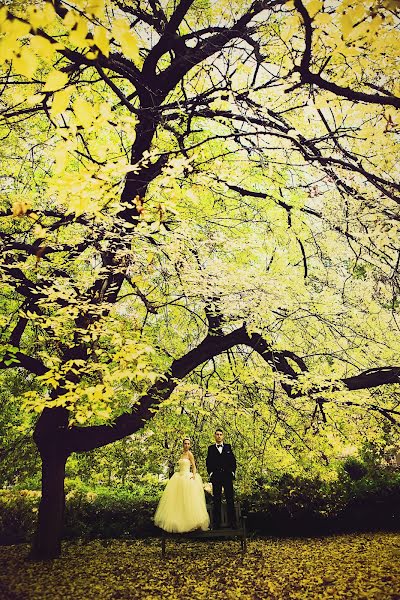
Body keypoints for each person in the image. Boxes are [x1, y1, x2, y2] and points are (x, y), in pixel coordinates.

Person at [154, 437, 210, 533]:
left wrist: (193, 475)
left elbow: (194, 466)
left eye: (188, 444)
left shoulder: (190, 454)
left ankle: (191, 523)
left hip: (187, 477)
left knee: (189, 501)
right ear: (183, 445)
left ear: (190, 445)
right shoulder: (181, 454)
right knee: (178, 500)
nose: (187, 445)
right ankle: (179, 522)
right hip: (179, 477)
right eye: (185, 444)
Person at [206, 428, 237, 529]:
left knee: (230, 498)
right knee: (217, 499)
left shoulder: (228, 447)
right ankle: (217, 524)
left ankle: (233, 523)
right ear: (214, 436)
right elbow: (208, 462)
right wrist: (211, 473)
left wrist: (232, 472)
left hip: (227, 476)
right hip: (216, 477)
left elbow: (233, 460)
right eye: (217, 434)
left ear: (223, 436)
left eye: (220, 434)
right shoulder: (210, 448)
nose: (219, 436)